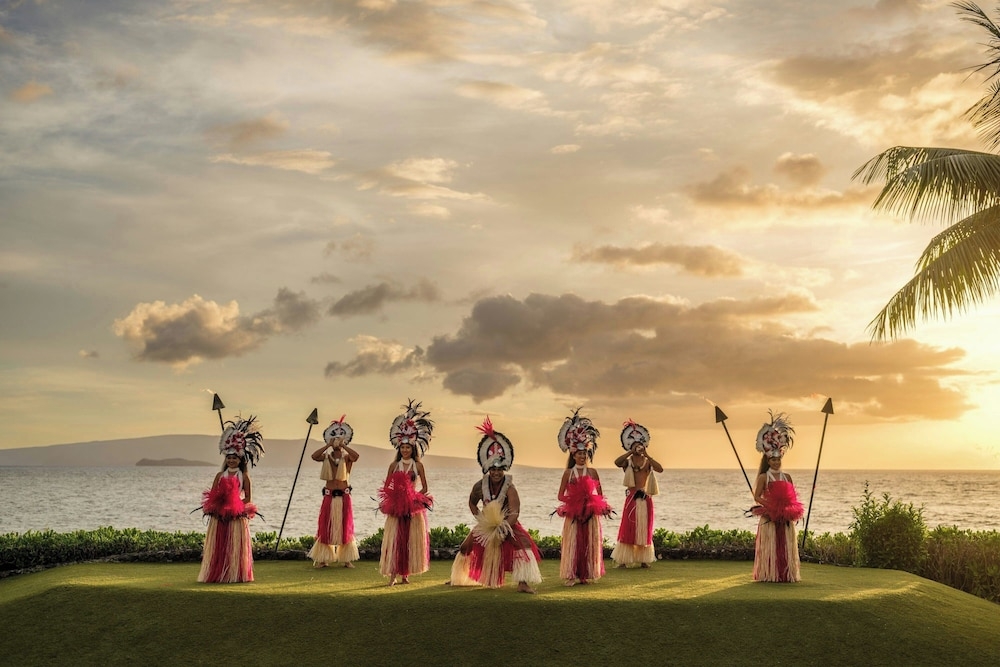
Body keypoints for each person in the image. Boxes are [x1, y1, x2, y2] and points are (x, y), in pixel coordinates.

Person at [448, 416, 542, 593]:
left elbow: (515, 512)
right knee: (465, 547)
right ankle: (459, 577)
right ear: (488, 470)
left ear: (503, 470)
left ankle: (523, 583)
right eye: (493, 469)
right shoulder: (479, 486)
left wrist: (504, 528)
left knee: (523, 544)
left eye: (499, 470)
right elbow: (471, 502)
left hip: (507, 524)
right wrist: (480, 518)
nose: (496, 473)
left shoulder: (510, 488)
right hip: (486, 525)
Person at [198, 416, 264, 583]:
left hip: (236, 515)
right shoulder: (220, 475)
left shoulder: (244, 477)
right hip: (220, 516)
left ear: (240, 459)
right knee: (220, 545)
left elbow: (248, 497)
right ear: (225, 459)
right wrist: (217, 505)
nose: (231, 460)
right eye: (229, 457)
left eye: (234, 458)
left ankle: (235, 573)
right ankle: (218, 573)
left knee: (234, 547)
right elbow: (213, 493)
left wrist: (236, 505)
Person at [377, 400, 433, 586]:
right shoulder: (394, 465)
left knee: (409, 541)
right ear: (399, 448)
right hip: (396, 508)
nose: (405, 450)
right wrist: (395, 498)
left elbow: (424, 487)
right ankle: (393, 575)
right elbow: (387, 486)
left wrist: (414, 497)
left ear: (413, 448)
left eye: (408, 447)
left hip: (412, 508)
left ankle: (405, 575)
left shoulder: (418, 466)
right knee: (395, 541)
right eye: (402, 447)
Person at [555, 408, 611, 586]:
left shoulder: (593, 472)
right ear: (573, 454)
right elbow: (560, 495)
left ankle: (586, 574)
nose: (582, 456)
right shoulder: (568, 473)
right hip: (574, 514)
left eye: (584, 453)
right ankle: (572, 575)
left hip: (590, 514)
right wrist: (574, 502)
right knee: (573, 544)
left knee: (588, 543)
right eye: (579, 454)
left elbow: (600, 495)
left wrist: (594, 504)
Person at [750, 411, 804, 583]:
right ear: (768, 461)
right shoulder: (763, 477)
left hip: (784, 517)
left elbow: (792, 496)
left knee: (785, 545)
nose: (776, 462)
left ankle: (786, 574)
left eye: (778, 459)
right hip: (770, 516)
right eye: (773, 460)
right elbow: (757, 497)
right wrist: (770, 505)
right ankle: (770, 574)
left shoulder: (787, 477)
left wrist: (789, 509)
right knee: (770, 546)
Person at [307, 415, 360, 568]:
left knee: (345, 526)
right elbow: (313, 456)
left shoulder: (347, 457)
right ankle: (323, 558)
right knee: (326, 526)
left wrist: (343, 446)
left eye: (339, 438)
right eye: (334, 438)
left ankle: (346, 559)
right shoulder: (326, 457)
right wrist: (328, 445)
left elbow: (356, 456)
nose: (336, 441)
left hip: (344, 496)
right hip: (329, 496)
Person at [611, 419, 663, 568]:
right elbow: (617, 462)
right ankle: (624, 559)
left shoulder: (647, 462)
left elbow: (660, 469)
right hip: (632, 498)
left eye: (640, 445)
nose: (638, 448)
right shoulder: (627, 462)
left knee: (644, 529)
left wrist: (647, 454)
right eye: (635, 445)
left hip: (645, 497)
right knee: (628, 528)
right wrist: (630, 452)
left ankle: (644, 559)